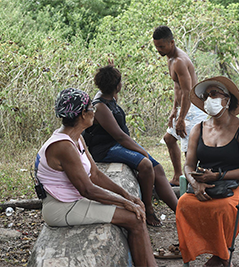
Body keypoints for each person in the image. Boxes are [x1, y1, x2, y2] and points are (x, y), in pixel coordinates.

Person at [35, 88, 157, 267]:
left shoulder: (76, 138)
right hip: (62, 208)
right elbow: (87, 189)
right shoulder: (63, 145)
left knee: (135, 214)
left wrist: (127, 195)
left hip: (73, 200)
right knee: (135, 219)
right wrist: (124, 202)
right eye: (92, 108)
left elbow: (95, 174)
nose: (94, 111)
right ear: (83, 114)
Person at [83, 65, 178, 227]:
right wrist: (142, 151)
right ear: (118, 85)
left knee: (159, 169)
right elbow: (119, 136)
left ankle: (181, 211)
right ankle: (148, 209)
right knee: (146, 165)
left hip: (117, 144)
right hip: (106, 149)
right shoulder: (100, 107)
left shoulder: (110, 98)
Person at [175, 76, 239, 267]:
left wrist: (219, 175)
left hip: (236, 186)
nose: (209, 99)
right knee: (184, 203)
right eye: (207, 96)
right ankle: (222, 258)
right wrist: (195, 183)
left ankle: (219, 257)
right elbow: (188, 164)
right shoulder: (198, 129)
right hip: (205, 185)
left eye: (215, 94)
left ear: (227, 99)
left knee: (223, 209)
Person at [153, 25, 207, 186]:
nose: (158, 50)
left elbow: (187, 91)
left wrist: (182, 118)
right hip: (183, 107)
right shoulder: (170, 57)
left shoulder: (179, 61)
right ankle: (177, 177)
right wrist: (173, 111)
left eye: (161, 46)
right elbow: (177, 89)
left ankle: (195, 184)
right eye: (156, 46)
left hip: (192, 108)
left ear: (172, 42)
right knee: (169, 139)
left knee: (189, 150)